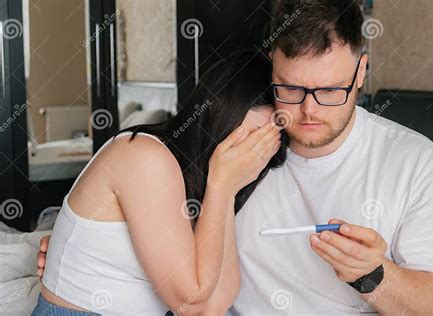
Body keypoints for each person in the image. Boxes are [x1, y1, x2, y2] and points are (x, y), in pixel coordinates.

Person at [39, 1, 433, 314]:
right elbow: (173, 249)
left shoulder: (413, 162)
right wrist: (81, 246)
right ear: (271, 70)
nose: (308, 110)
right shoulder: (247, 144)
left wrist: (374, 274)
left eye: (330, 91)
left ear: (360, 73)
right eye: (291, 88)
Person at [32, 49, 286, 315]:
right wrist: (222, 187)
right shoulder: (145, 156)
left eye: (267, 146)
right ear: (224, 112)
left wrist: (226, 189)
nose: (253, 156)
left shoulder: (204, 182)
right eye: (257, 137)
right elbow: (192, 301)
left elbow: (215, 304)